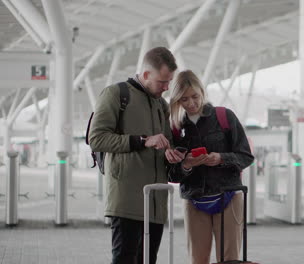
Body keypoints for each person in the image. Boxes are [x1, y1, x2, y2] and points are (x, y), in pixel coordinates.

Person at [89, 47, 185, 264]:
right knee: (125, 259)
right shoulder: (116, 94)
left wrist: (171, 153)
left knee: (149, 260)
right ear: (146, 74)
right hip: (126, 201)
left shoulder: (161, 104)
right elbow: (97, 138)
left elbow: (166, 143)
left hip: (155, 201)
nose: (166, 87)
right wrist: (142, 140)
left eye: (169, 81)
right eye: (162, 81)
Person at [167, 70, 254, 264]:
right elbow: (171, 174)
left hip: (229, 196)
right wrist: (187, 164)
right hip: (194, 200)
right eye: (184, 99)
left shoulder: (224, 117)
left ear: (202, 92)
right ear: (176, 101)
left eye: (195, 96)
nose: (191, 103)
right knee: (197, 260)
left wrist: (221, 158)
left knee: (229, 260)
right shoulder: (175, 128)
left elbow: (246, 156)